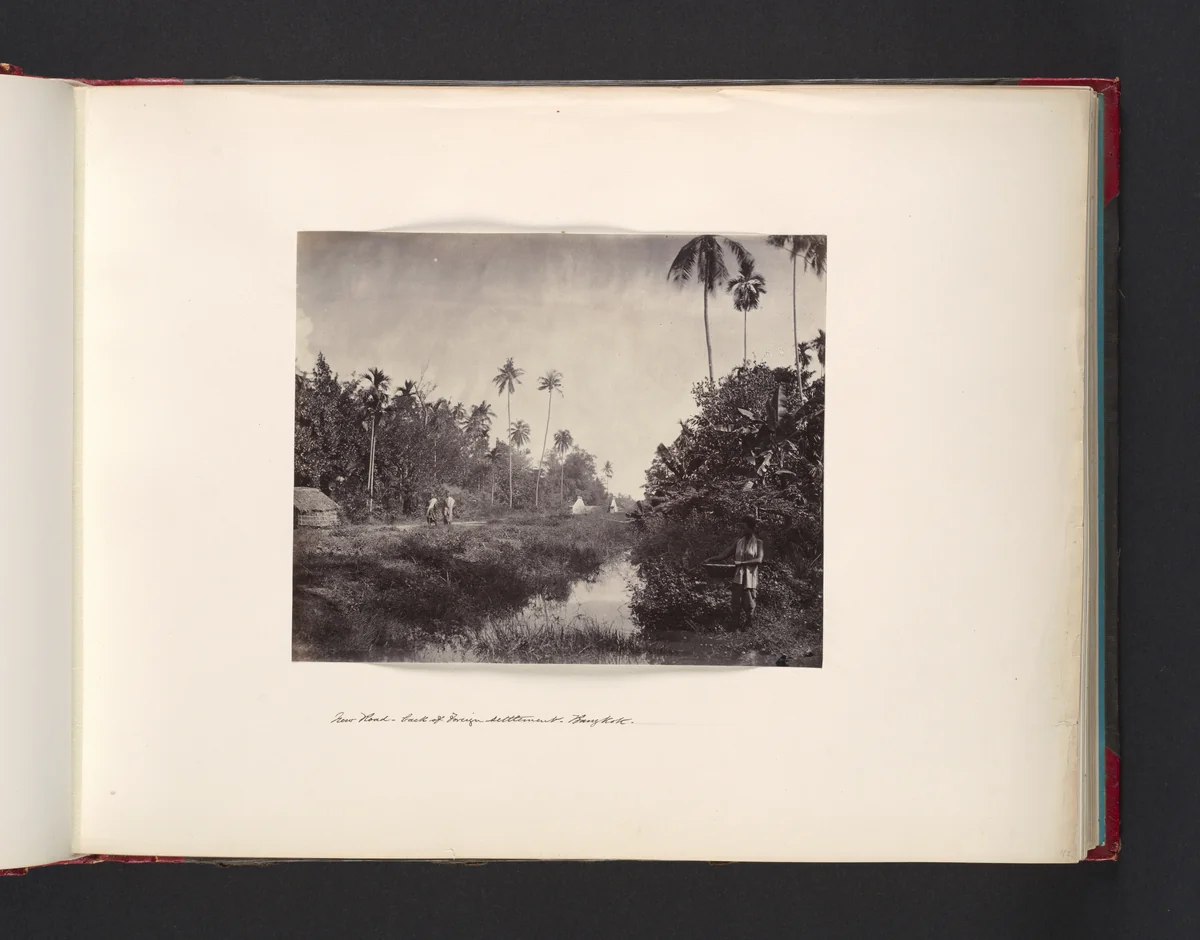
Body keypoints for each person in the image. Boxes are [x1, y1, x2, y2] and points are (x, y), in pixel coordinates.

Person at [703, 515, 764, 632]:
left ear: (751, 528)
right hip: (739, 577)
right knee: (735, 604)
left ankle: (748, 628)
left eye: (744, 528)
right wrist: (711, 559)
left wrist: (742, 563)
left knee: (749, 605)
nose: (742, 530)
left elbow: (759, 560)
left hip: (750, 578)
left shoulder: (758, 543)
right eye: (741, 528)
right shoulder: (738, 542)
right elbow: (724, 555)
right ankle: (734, 628)